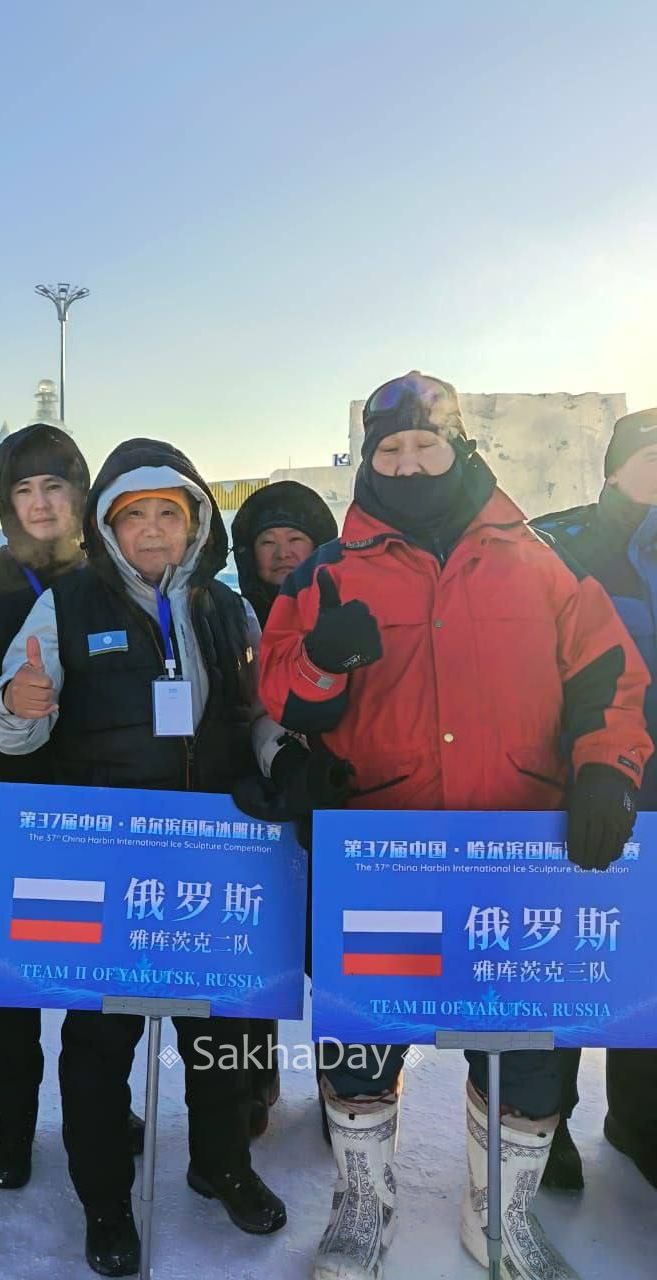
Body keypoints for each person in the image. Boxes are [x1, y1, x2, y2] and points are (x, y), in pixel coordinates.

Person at [259, 372, 652, 1280]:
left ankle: (499, 1214)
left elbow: (607, 676)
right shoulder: (329, 571)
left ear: (460, 448)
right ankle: (363, 1206)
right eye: (390, 450)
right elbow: (278, 688)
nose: (407, 463)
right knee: (362, 1045)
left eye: (424, 445)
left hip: (517, 852)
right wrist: (321, 662)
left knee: (526, 1054)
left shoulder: (539, 562)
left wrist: (606, 767)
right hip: (382, 854)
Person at [0, 438, 288, 1276]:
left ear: (195, 523)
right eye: (134, 515)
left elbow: (261, 712)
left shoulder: (228, 610)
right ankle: (106, 1199)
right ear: (108, 526)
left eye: (169, 513)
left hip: (213, 860)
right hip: (108, 863)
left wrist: (282, 755)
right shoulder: (67, 605)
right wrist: (17, 703)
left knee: (221, 1034)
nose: (153, 530)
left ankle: (221, 1163)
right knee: (99, 1043)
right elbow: (10, 726)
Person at [0, 423, 147, 1189]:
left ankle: (104, 1108)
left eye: (55, 487)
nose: (41, 504)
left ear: (81, 495)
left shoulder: (114, 575)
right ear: (5, 501)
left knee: (100, 987)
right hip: (11, 818)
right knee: (12, 989)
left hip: (102, 814)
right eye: (24, 490)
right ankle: (12, 1123)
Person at [533, 406, 657, 1193]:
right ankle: (545, 1123)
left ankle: (640, 1119)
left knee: (651, 963)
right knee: (570, 953)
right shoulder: (560, 544)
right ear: (614, 468)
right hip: (586, 786)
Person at [231, 481, 338, 1136]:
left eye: (295, 539)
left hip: (336, 801)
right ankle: (250, 1079)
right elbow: (240, 706)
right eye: (267, 542)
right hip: (257, 805)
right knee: (256, 950)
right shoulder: (228, 610)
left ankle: (345, 1087)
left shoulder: (344, 604)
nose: (281, 553)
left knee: (336, 958)